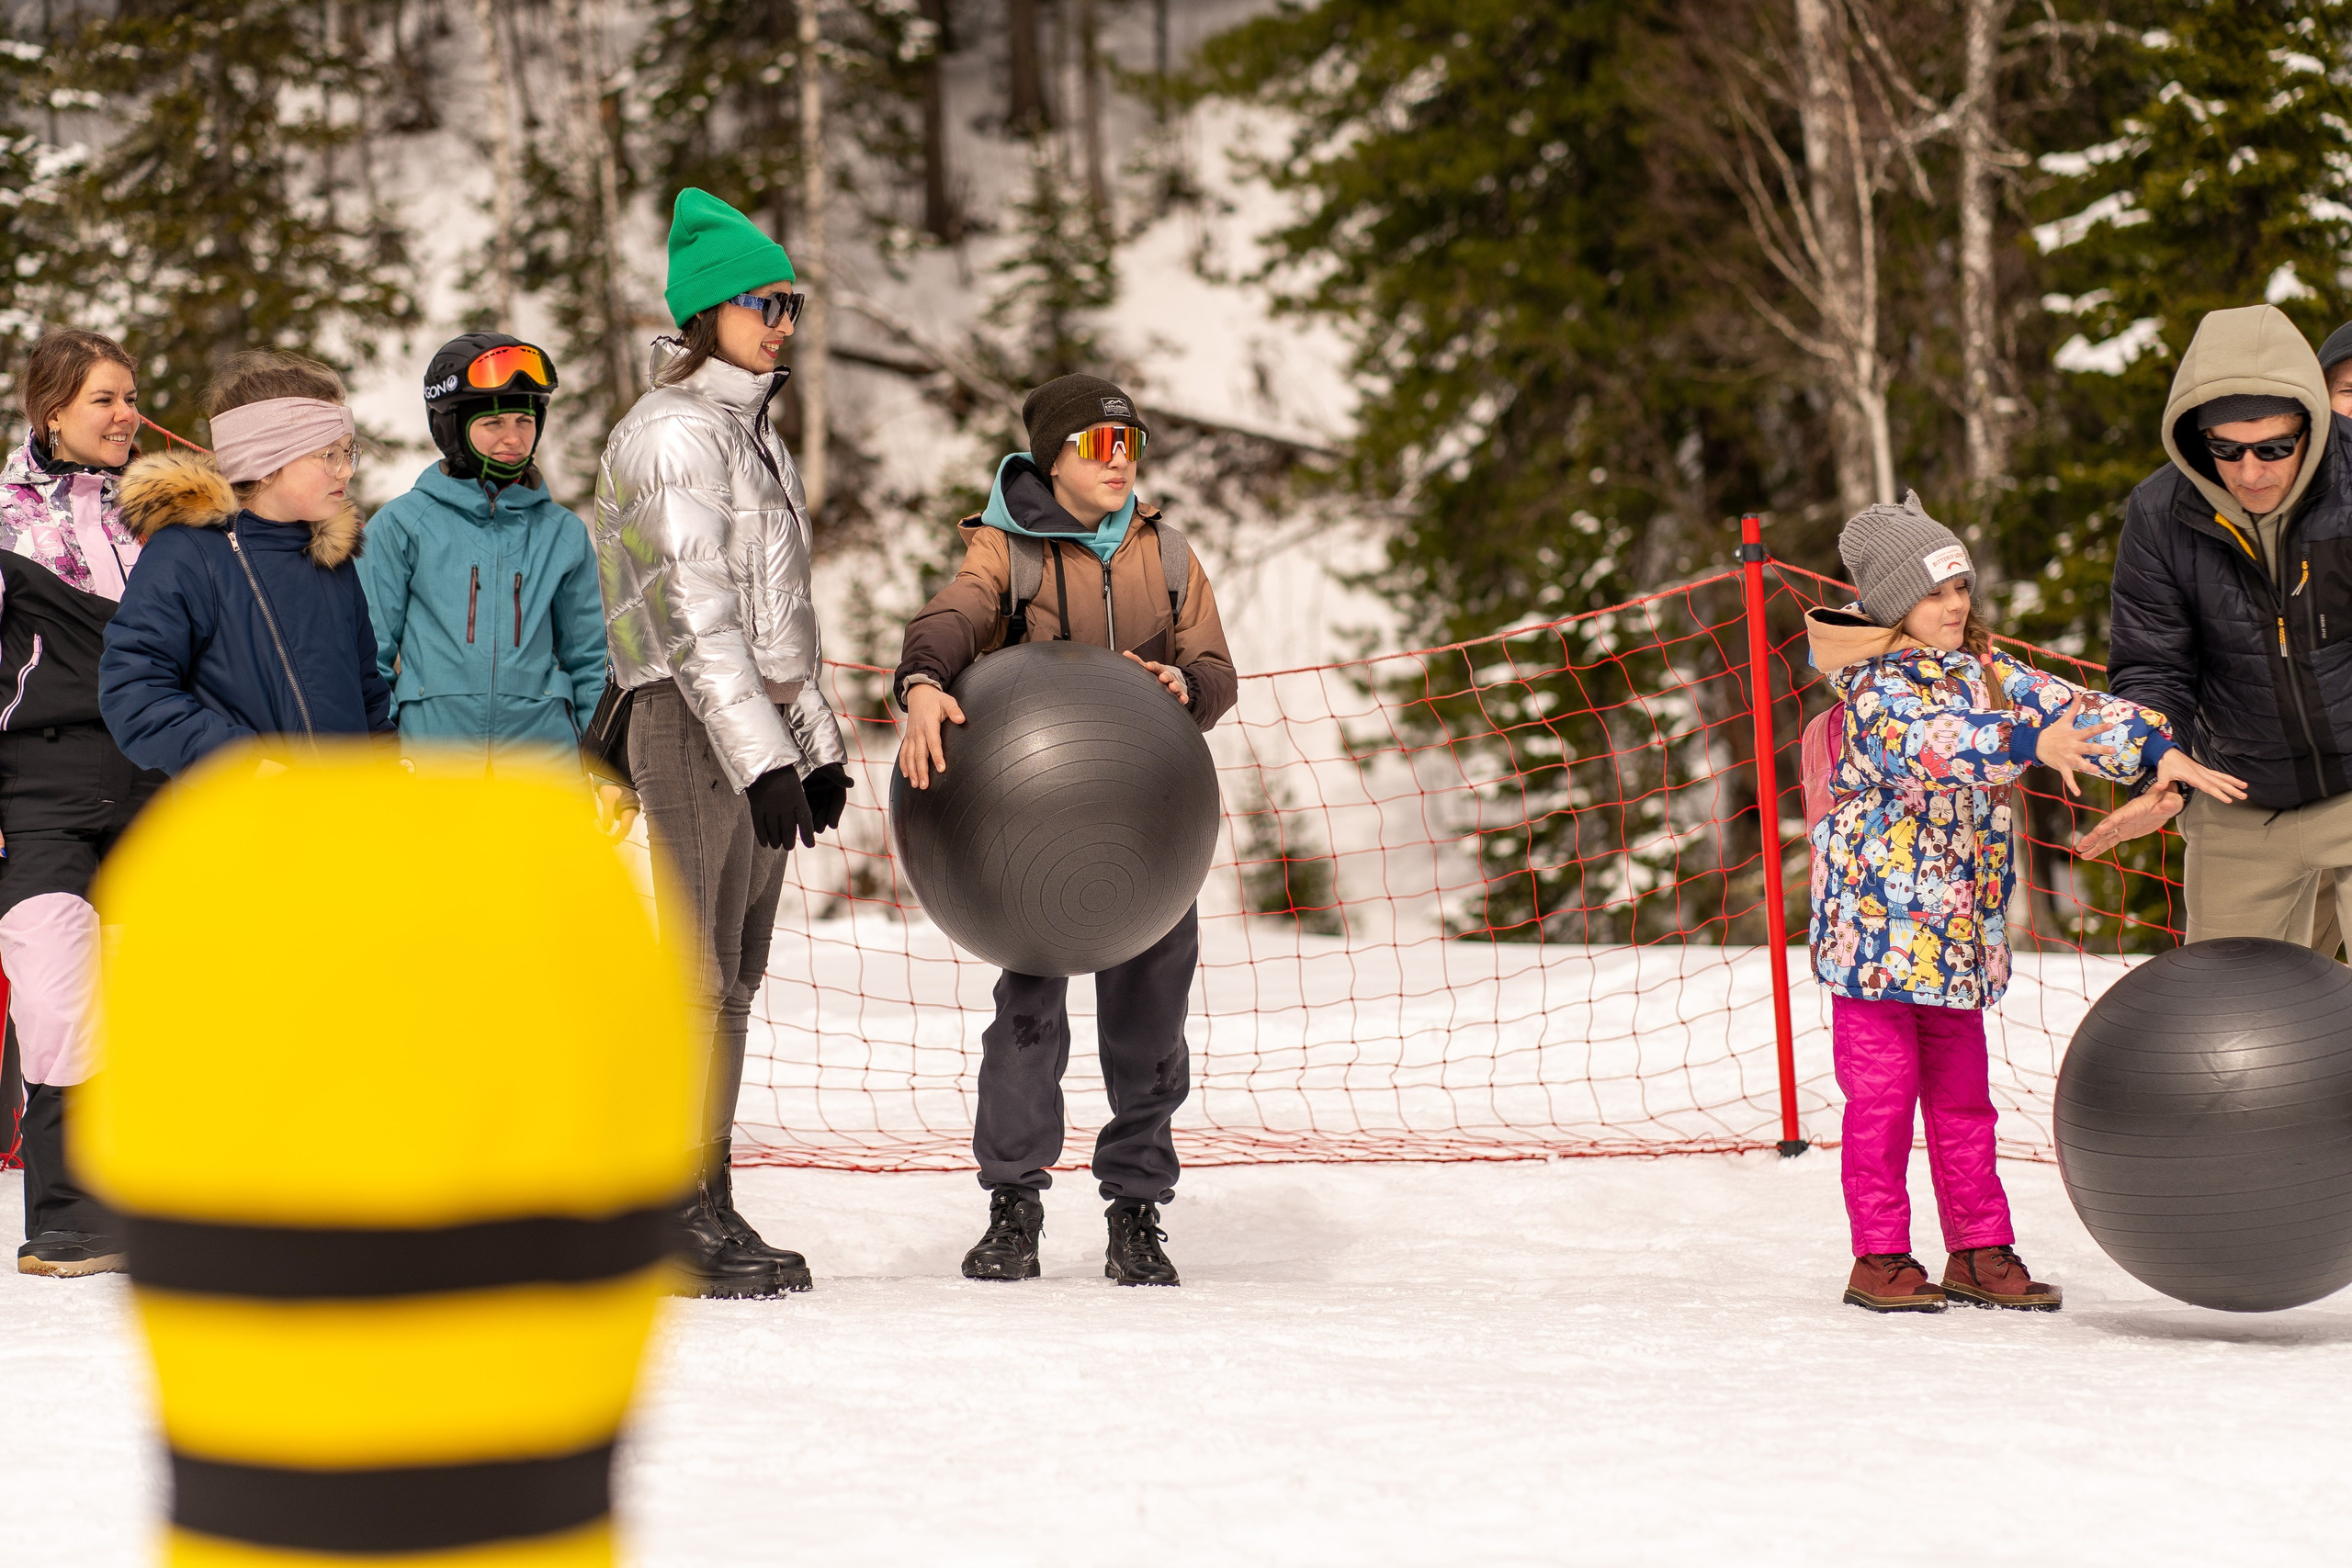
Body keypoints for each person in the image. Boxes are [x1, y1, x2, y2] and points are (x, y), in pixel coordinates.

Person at [1808, 492, 2243, 1314]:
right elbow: (1929, 746)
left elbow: (2070, 708)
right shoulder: (1872, 688)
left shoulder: (1984, 672)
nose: (1954, 605)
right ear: (1891, 602)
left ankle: (1977, 1247)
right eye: (1934, 592)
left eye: (1961, 587)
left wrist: (2158, 748)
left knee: (1966, 1102)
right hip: (1873, 947)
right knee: (1882, 1105)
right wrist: (2020, 742)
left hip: (1958, 944)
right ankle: (1881, 1255)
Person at [895, 373, 1237, 1288]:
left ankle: (1135, 1211)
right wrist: (923, 679)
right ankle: (1013, 1204)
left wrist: (1186, 689)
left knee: (1150, 1031)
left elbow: (1214, 666)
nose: (1118, 462)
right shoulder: (1005, 551)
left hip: (1146, 833)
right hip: (1029, 837)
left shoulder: (1166, 554)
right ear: (1054, 459)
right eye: (1097, 446)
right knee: (1027, 1023)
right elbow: (952, 616)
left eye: (1129, 444)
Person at [594, 187, 852, 1300]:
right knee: (693, 982)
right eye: (760, 302)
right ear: (708, 313)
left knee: (733, 983)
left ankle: (708, 1192)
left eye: (788, 300)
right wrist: (759, 760)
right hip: (688, 724)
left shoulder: (754, 436)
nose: (781, 320)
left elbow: (782, 622)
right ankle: (668, 1206)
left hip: (751, 728)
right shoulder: (670, 437)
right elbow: (695, 621)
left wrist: (818, 740)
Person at [2093, 304, 2352, 953]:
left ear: (2311, 424)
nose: (2250, 471)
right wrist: (2155, 757)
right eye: (2226, 449)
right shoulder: (2160, 512)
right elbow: (2153, 664)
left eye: (2273, 447)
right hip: (2238, 792)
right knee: (2232, 1032)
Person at [0, 329, 168, 1276]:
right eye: (104, 398)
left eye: (131, 396)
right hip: (44, 780)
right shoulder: (5, 521)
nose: (124, 415)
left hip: (155, 779)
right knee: (57, 985)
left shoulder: (165, 517)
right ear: (52, 410)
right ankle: (65, 1214)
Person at [102, 351, 393, 773]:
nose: (345, 471)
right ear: (266, 462)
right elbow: (134, 691)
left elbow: (368, 694)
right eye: (329, 454)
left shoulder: (331, 558)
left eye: (349, 452)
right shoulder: (188, 554)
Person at [356, 334, 605, 770]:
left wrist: (606, 771)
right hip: (432, 769)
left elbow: (589, 662)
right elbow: (366, 654)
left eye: (524, 421)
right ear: (451, 426)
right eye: (493, 424)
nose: (513, 438)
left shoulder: (561, 533)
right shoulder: (402, 526)